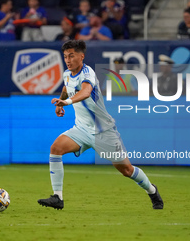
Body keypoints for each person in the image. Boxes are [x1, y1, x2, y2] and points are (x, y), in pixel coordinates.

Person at [37, 40, 164, 210]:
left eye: (71, 56)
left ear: (81, 56)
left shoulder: (88, 73)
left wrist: (66, 102)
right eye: (65, 56)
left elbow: (85, 91)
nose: (68, 60)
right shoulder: (67, 74)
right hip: (81, 129)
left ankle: (152, 190)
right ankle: (58, 197)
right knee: (56, 148)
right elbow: (67, 87)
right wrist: (60, 103)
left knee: (126, 170)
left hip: (103, 131)